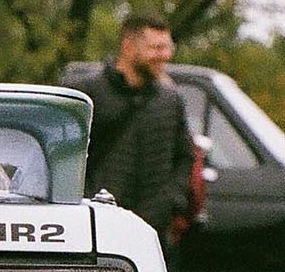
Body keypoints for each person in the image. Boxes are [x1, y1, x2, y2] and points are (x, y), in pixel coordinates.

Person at [62, 13, 198, 248]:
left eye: (167, 48)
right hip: (97, 230)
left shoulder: (170, 100)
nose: (164, 56)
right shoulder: (86, 94)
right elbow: (63, 157)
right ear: (127, 46)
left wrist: (169, 201)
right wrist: (86, 202)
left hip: (152, 235)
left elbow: (185, 157)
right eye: (156, 48)